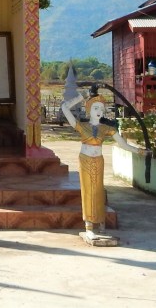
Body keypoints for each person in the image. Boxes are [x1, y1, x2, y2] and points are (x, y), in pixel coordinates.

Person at [60, 90, 137, 246]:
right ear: (88, 110)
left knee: (98, 191)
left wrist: (140, 151)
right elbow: (64, 108)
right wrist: (81, 96)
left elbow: (123, 144)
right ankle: (89, 225)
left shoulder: (105, 128)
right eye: (95, 108)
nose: (99, 112)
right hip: (85, 160)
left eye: (101, 109)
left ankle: (101, 224)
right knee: (88, 190)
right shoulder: (81, 126)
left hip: (98, 160)